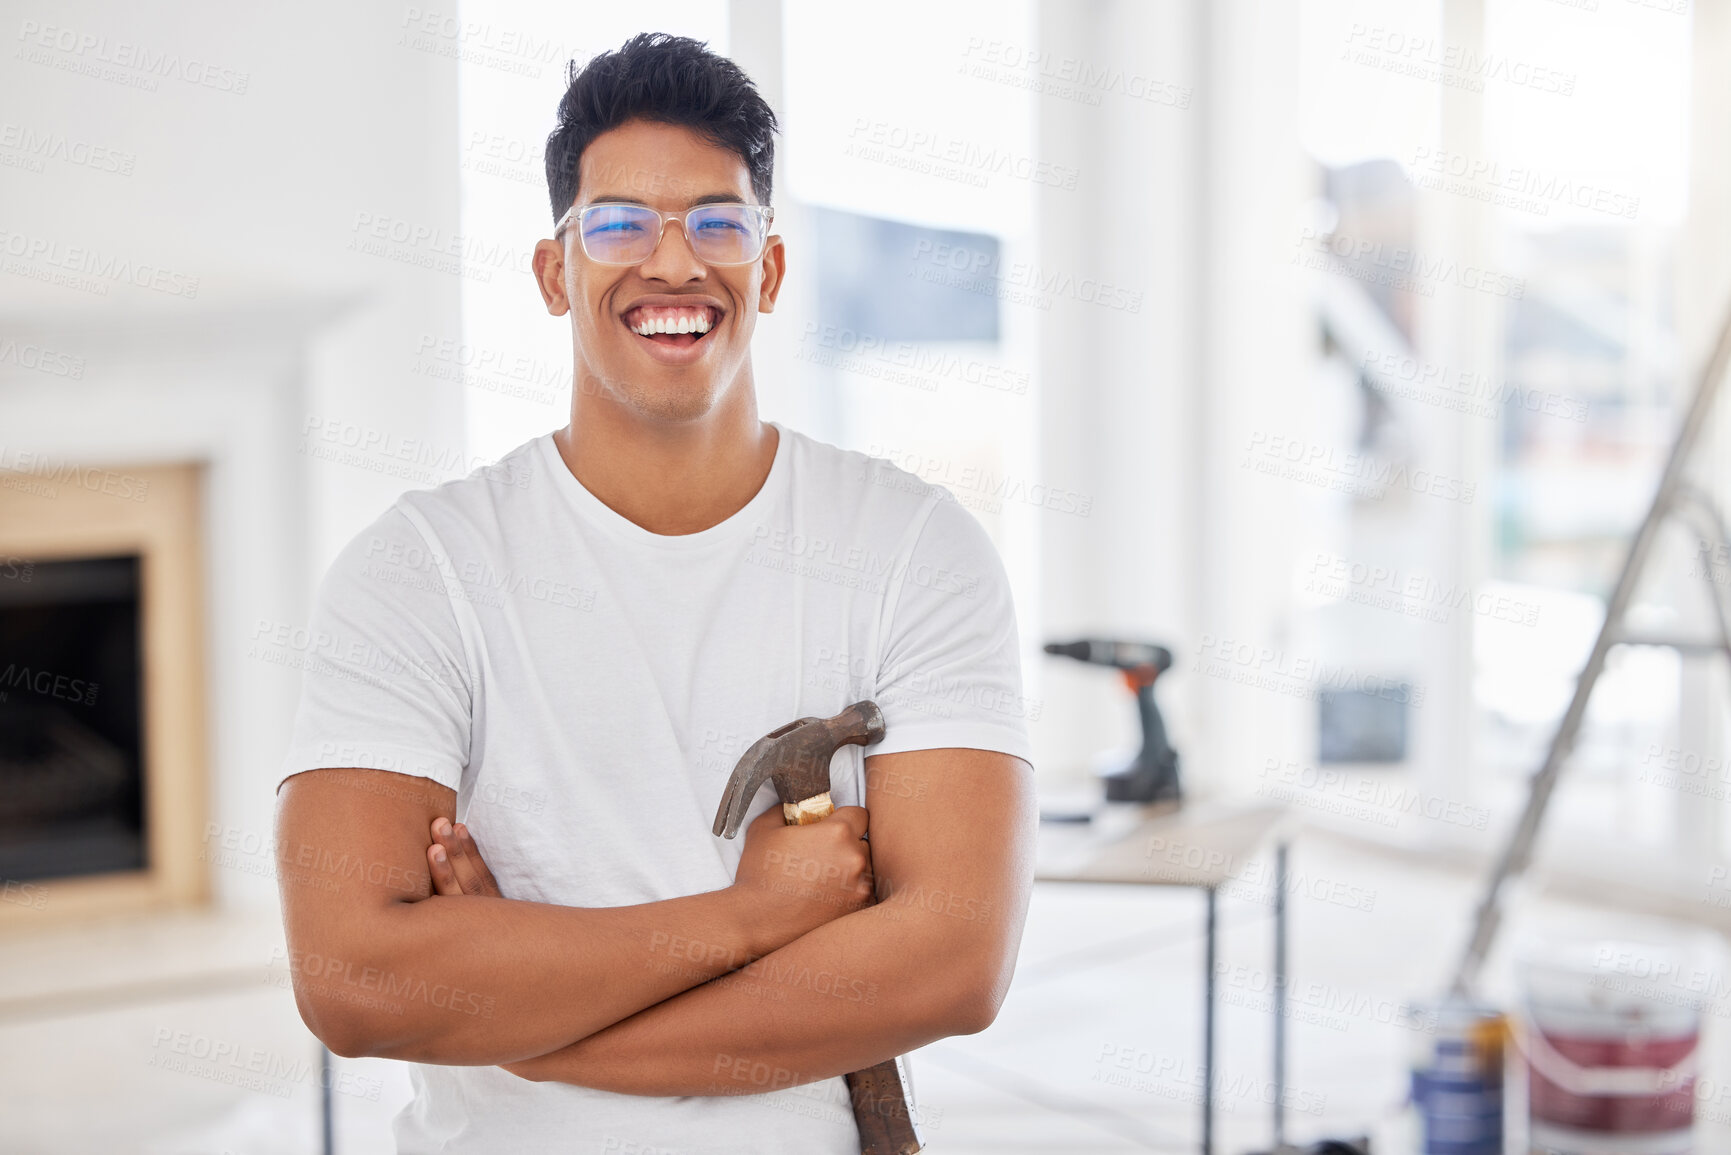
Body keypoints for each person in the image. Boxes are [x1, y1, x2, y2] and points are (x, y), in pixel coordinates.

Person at [273, 31, 1036, 1154]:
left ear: (767, 271)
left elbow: (957, 962)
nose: (674, 265)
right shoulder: (418, 569)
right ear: (555, 272)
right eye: (619, 224)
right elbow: (350, 978)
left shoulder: (916, 548)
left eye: (718, 224)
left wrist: (527, 1023)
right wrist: (753, 916)